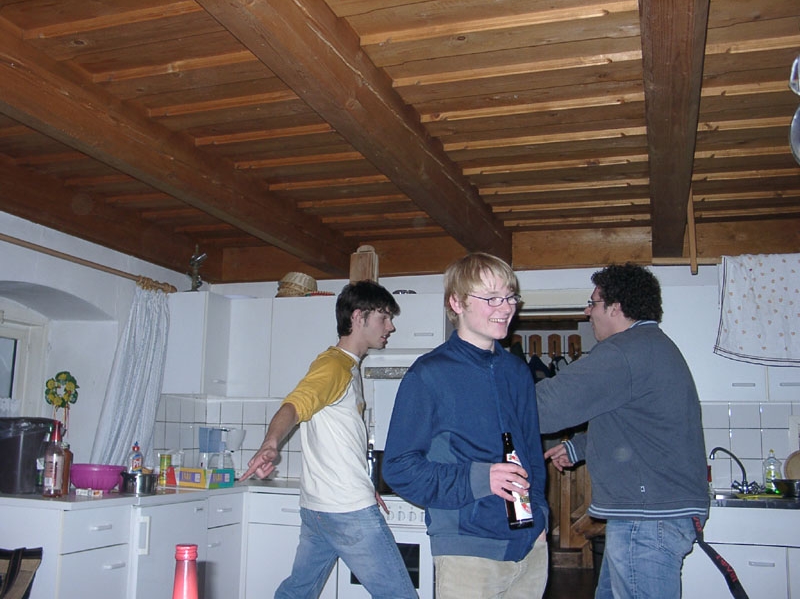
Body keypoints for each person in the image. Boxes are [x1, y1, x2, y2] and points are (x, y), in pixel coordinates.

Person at [535, 263, 709, 599]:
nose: (587, 312)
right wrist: (578, 447)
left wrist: (496, 395)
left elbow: (548, 407)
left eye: (593, 303)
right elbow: (640, 424)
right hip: (654, 514)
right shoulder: (653, 347)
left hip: (647, 519)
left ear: (615, 307)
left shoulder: (623, 351)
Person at [382, 252, 549, 599]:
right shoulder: (428, 374)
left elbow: (532, 454)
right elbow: (399, 468)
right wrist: (481, 478)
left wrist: (541, 517)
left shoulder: (517, 372)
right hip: (469, 553)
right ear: (456, 303)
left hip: (530, 548)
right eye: (491, 298)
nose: (506, 307)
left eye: (510, 297)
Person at [240, 280, 417, 599]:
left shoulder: (345, 366)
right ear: (359, 317)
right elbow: (294, 406)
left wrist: (365, 484)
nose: (390, 327)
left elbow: (337, 438)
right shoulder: (334, 365)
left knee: (298, 592)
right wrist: (270, 444)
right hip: (347, 509)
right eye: (384, 317)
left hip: (318, 509)